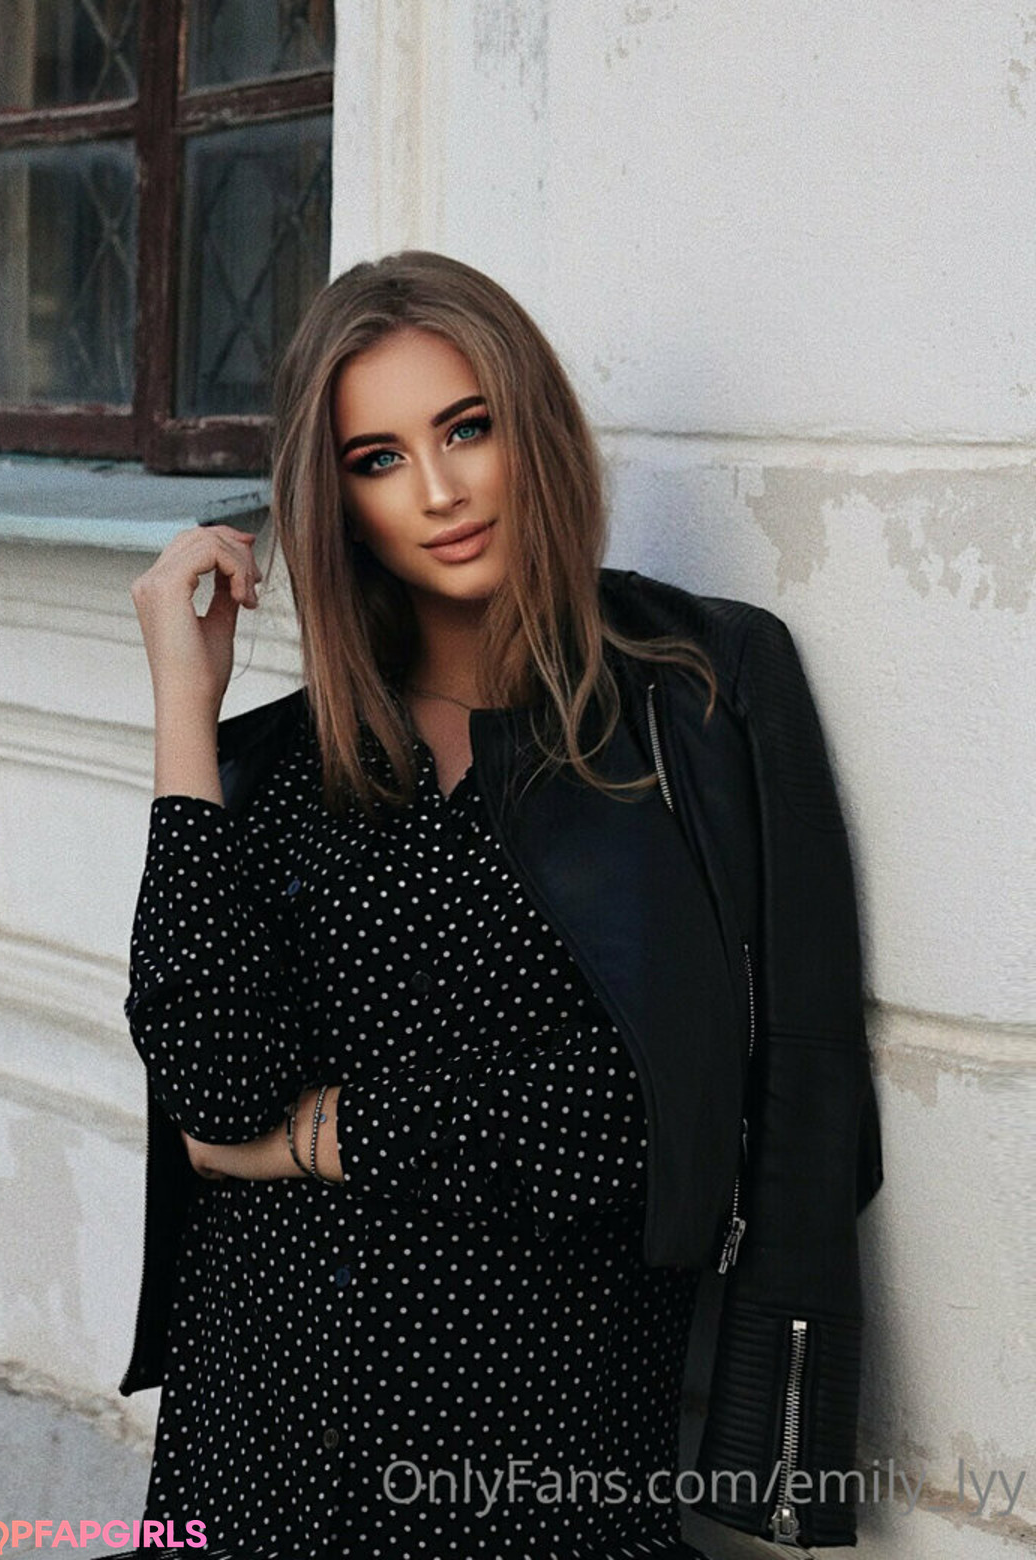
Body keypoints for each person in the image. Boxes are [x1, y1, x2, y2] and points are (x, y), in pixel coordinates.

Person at [121, 250, 883, 1559]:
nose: (439, 490)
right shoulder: (288, 764)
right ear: (336, 500)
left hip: (534, 1453)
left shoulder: (696, 696)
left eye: (467, 427)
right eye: (378, 458)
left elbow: (638, 1121)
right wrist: (185, 711)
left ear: (534, 427)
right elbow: (211, 1091)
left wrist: (312, 1137)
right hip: (260, 1428)